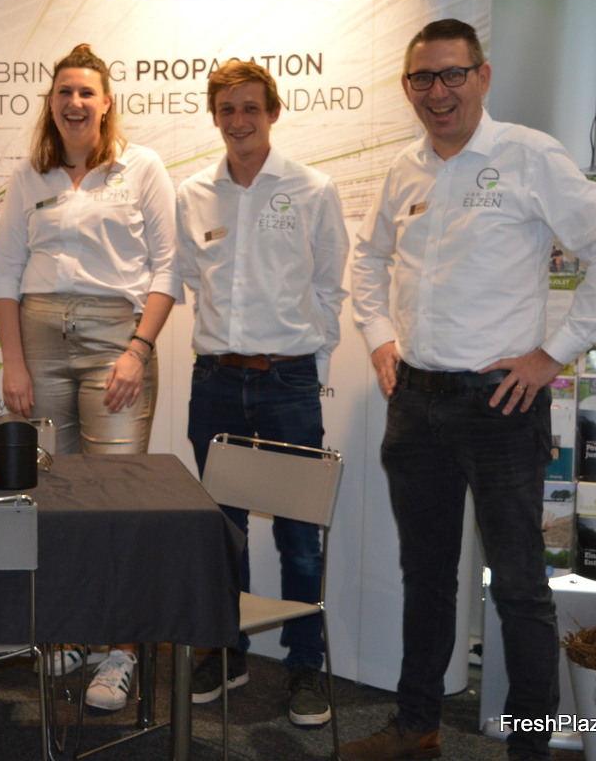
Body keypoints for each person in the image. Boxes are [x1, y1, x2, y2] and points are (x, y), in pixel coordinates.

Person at [343, 19, 596, 761]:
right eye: (424, 78)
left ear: (482, 76)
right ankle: (417, 727)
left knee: (517, 586)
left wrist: (553, 354)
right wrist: (379, 337)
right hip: (415, 402)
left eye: (453, 74)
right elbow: (367, 260)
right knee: (425, 576)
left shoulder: (528, 155)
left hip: (501, 405)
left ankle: (529, 747)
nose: (438, 92)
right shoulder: (405, 169)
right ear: (407, 87)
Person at [0, 43, 182, 712]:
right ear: (51, 103)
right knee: (56, 493)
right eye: (64, 92)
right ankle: (70, 631)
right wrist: (14, 362)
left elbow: (168, 269)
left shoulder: (142, 168)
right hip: (39, 341)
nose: (74, 103)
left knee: (117, 496)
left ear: (106, 104)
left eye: (86, 93)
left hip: (115, 342)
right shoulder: (29, 176)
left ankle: (122, 648)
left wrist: (137, 350)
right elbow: (4, 275)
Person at [176, 59, 347, 725]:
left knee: (299, 536)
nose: (239, 120)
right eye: (227, 109)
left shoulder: (312, 189)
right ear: (214, 116)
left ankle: (305, 666)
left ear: (273, 112)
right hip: (216, 381)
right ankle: (228, 652)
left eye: (251, 107)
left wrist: (308, 369)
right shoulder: (193, 193)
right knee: (224, 532)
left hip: (288, 381)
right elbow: (191, 279)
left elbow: (329, 287)